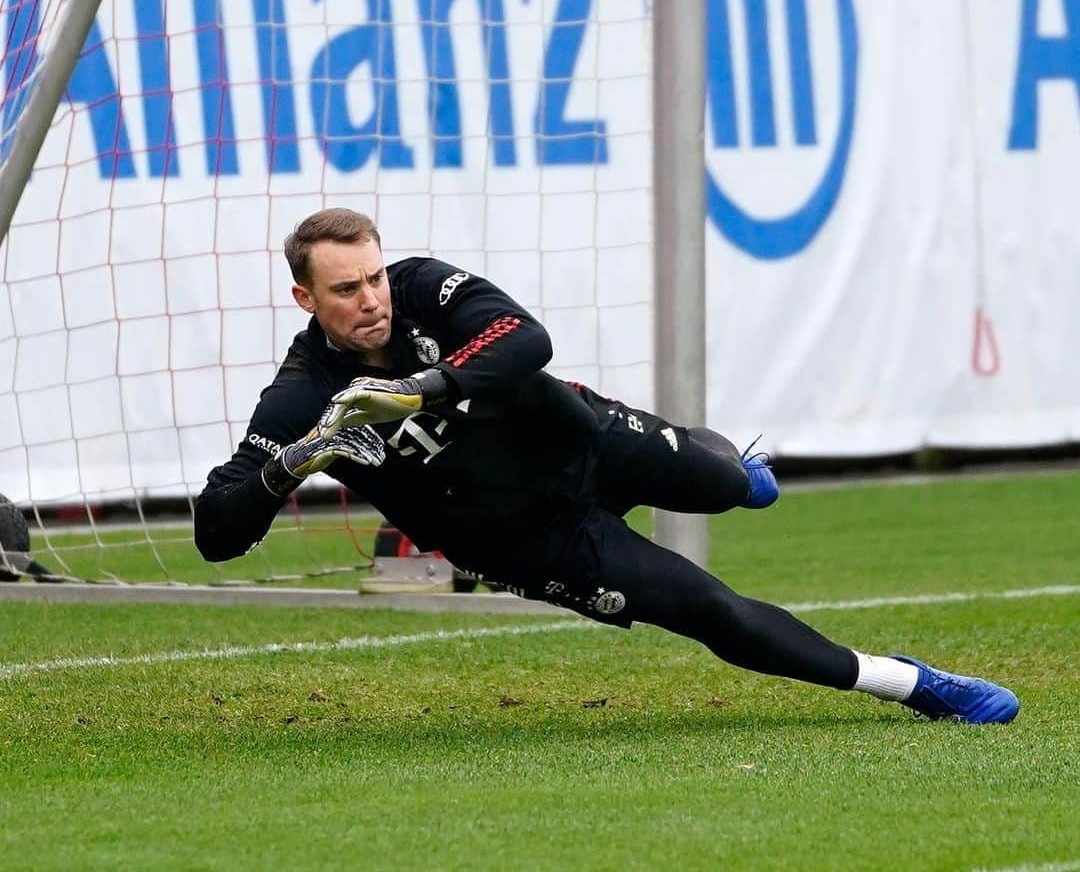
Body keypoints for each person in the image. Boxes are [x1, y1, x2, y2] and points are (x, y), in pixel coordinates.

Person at [194, 208, 1019, 725]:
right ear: (307, 300)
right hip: (536, 542)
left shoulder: (421, 288)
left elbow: (527, 342)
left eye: (373, 275)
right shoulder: (305, 399)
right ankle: (911, 685)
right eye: (346, 289)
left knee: (727, 484)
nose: (370, 299)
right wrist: (289, 468)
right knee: (711, 611)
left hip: (584, 440)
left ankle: (735, 468)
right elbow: (215, 534)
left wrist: (421, 389)